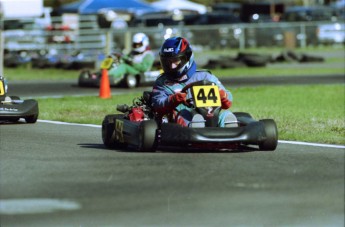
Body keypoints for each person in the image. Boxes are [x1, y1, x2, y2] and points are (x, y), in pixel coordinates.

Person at [151, 36, 237, 128]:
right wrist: (173, 99)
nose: (171, 66)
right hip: (179, 121)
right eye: (167, 62)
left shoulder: (205, 76)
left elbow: (229, 99)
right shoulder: (162, 82)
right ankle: (196, 132)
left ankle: (229, 135)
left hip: (210, 117)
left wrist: (222, 96)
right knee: (189, 116)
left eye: (175, 61)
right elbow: (157, 104)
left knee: (227, 116)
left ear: (187, 58)